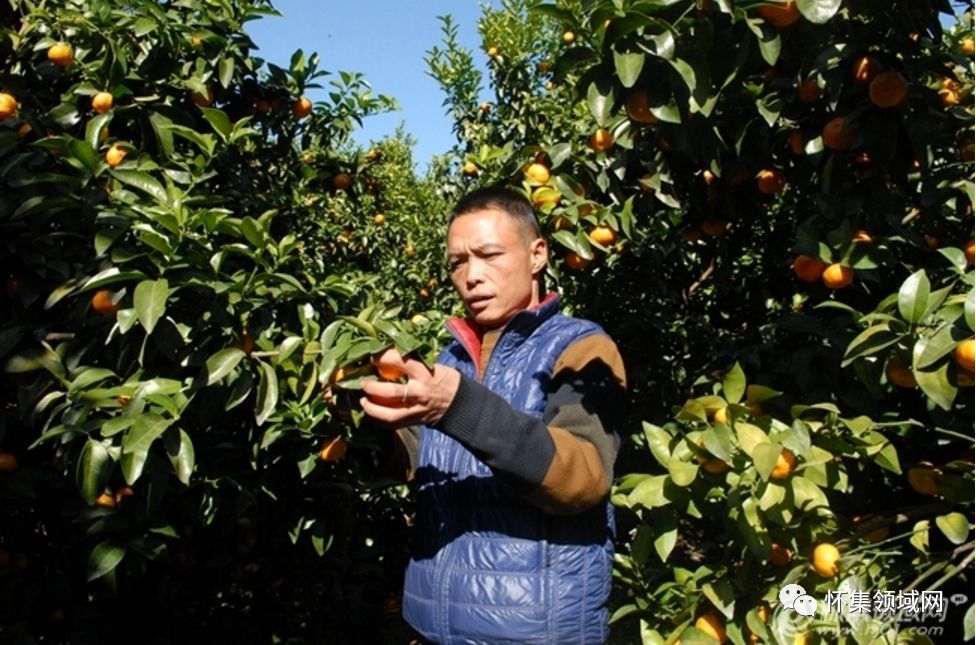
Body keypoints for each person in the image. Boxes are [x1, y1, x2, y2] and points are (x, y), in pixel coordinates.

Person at [360, 185, 627, 644]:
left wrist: (460, 407)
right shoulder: (450, 361)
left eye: (488, 255)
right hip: (431, 626)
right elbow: (422, 466)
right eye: (457, 262)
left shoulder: (581, 349)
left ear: (537, 254)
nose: (471, 276)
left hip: (534, 633)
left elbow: (583, 476)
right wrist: (370, 423)